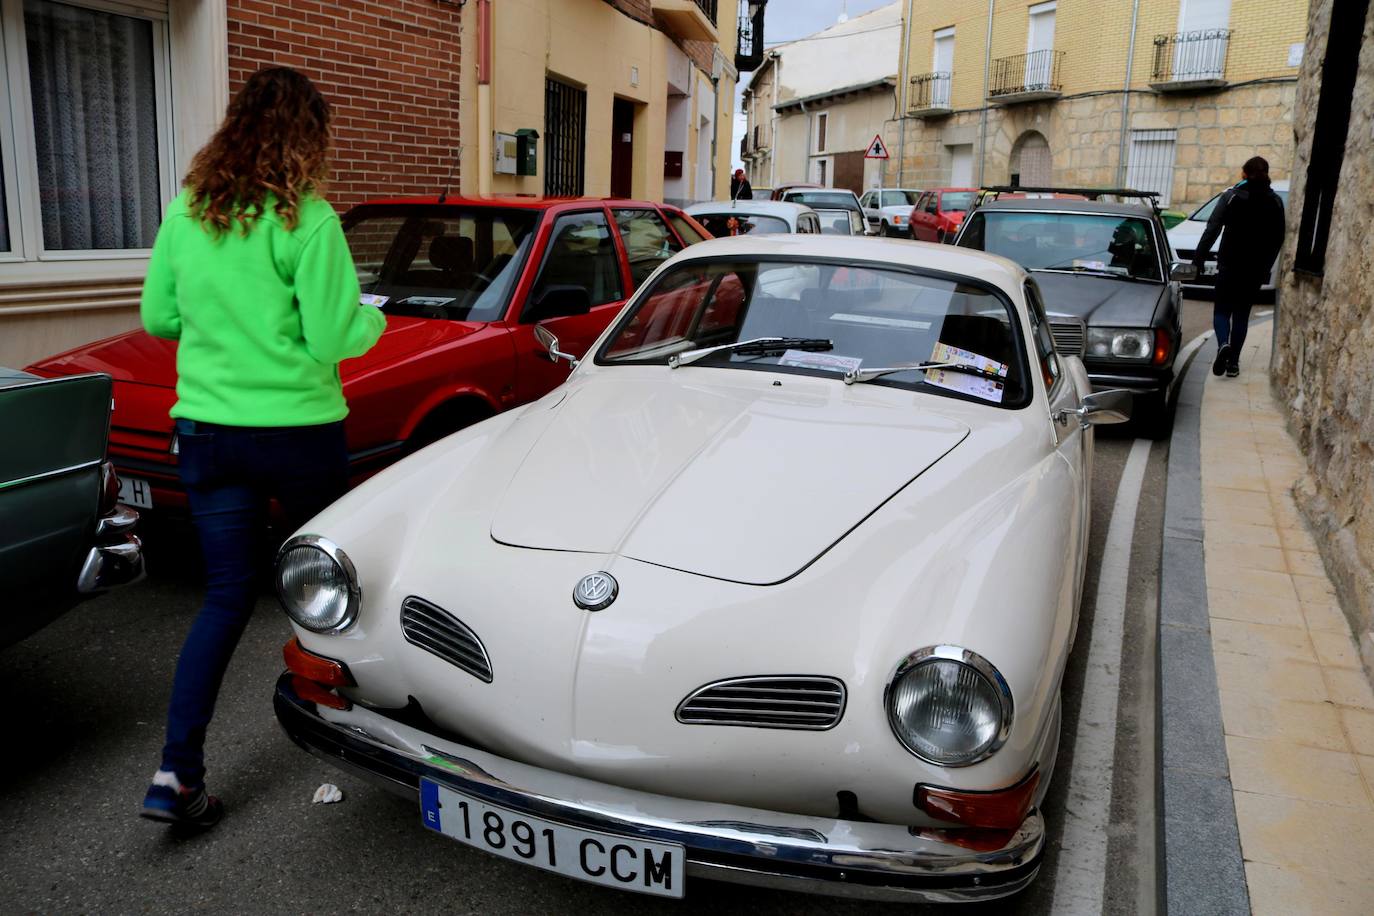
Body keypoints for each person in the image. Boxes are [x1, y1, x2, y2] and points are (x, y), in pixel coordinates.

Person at [138, 67, 386, 830]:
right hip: (299, 436)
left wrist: (225, 330)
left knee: (223, 599)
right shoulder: (306, 221)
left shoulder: (186, 214)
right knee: (338, 585)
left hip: (207, 436)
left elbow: (157, 319)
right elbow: (334, 336)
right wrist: (373, 319)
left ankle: (176, 774)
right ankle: (372, 732)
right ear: (307, 139)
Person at [1191, 156, 1286, 377]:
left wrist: (1198, 260)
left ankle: (1223, 343)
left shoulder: (1231, 197)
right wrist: (1266, 267)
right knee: (1242, 314)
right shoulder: (1275, 202)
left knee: (1222, 311)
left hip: (1228, 264)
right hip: (1254, 270)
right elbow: (1278, 238)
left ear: (1244, 174)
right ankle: (1233, 364)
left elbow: (1211, 230)